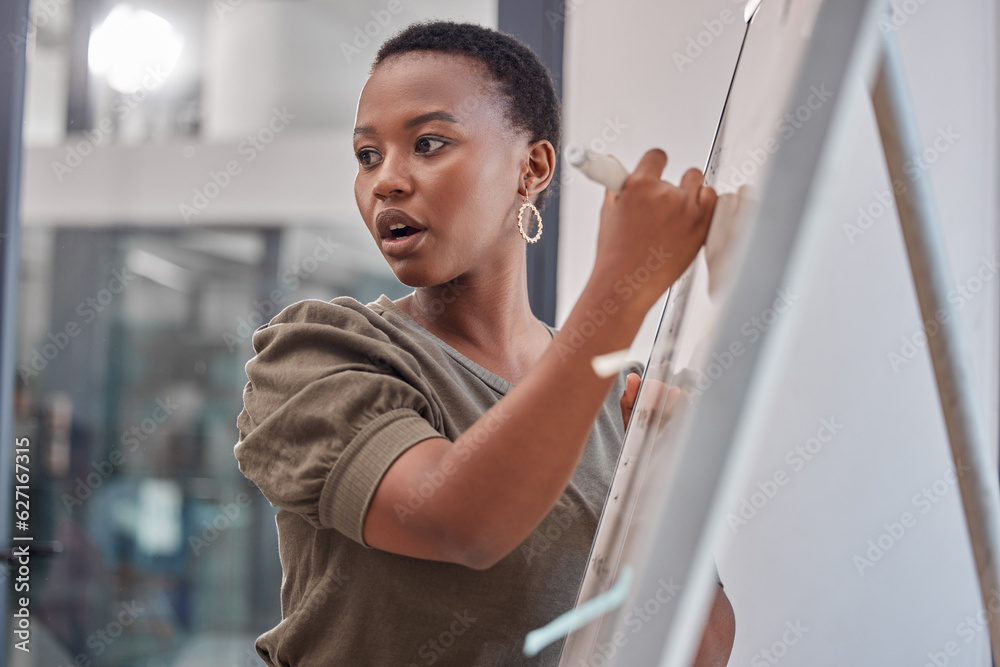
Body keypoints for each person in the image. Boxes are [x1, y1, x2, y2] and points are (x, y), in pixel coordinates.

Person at [234, 20, 735, 666]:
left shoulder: (622, 400)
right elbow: (461, 521)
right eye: (367, 155)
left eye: (429, 143)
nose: (386, 179)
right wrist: (620, 289)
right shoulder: (314, 354)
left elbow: (703, 652)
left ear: (532, 168)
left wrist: (670, 484)